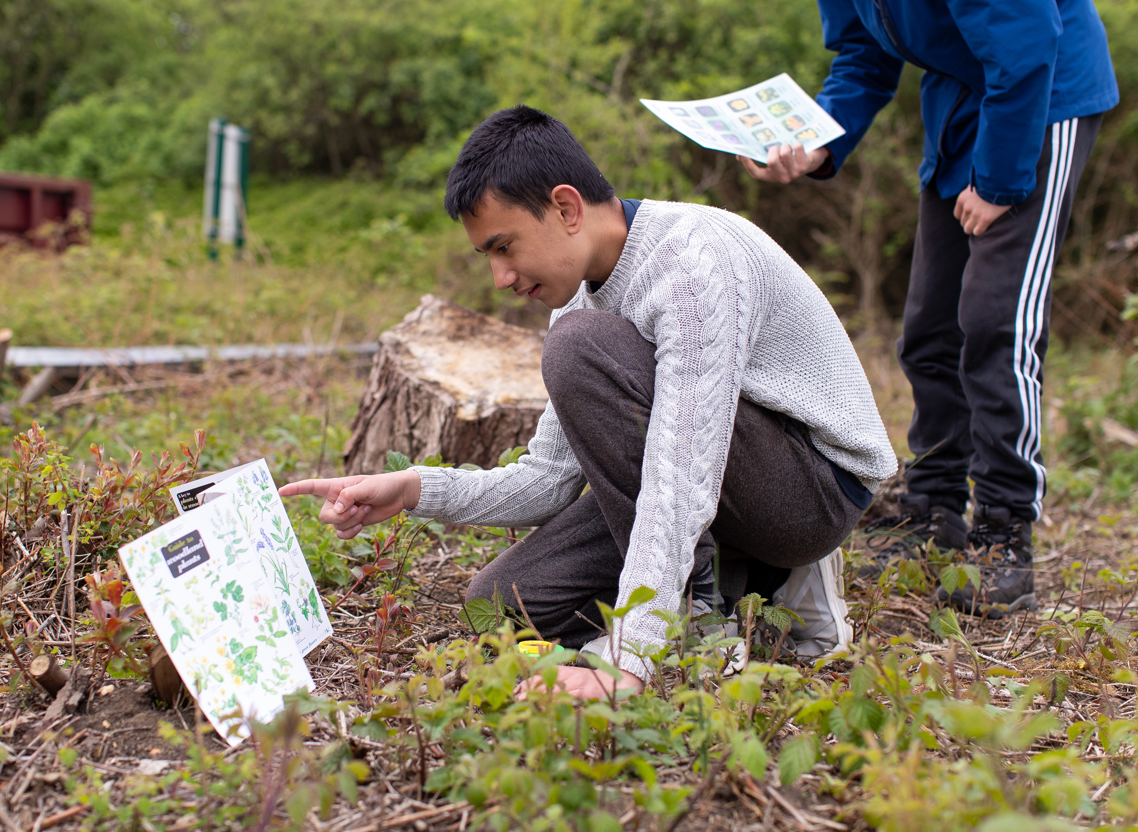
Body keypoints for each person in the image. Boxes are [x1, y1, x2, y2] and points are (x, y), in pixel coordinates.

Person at [281, 106, 896, 699]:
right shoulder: (579, 298)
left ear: (566, 207)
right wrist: (414, 488)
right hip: (710, 490)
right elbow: (548, 480)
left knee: (580, 349)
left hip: (809, 493)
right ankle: (750, 581)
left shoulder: (694, 264)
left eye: (504, 246)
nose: (500, 277)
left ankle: (702, 618)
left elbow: (681, 476)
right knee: (501, 605)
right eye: (487, 256)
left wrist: (632, 654)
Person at [747, 0, 1118, 616]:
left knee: (994, 321)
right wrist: (817, 146)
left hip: (1041, 94)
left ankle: (1005, 532)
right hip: (963, 103)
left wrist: (1002, 179)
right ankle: (935, 507)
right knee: (929, 327)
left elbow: (1026, 32)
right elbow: (864, 53)